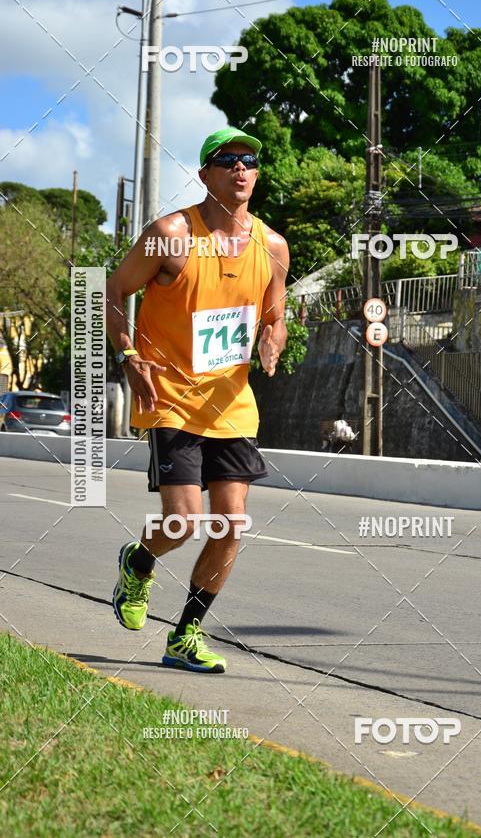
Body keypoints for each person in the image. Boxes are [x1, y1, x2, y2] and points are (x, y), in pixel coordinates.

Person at [106, 127, 289, 673]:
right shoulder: (171, 234)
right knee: (183, 522)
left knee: (231, 524)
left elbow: (275, 314)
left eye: (249, 160)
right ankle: (139, 563)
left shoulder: (272, 246)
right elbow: (113, 292)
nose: (240, 168)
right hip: (171, 397)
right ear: (205, 173)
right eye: (227, 159)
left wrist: (272, 339)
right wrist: (126, 355)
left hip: (231, 402)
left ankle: (185, 634)